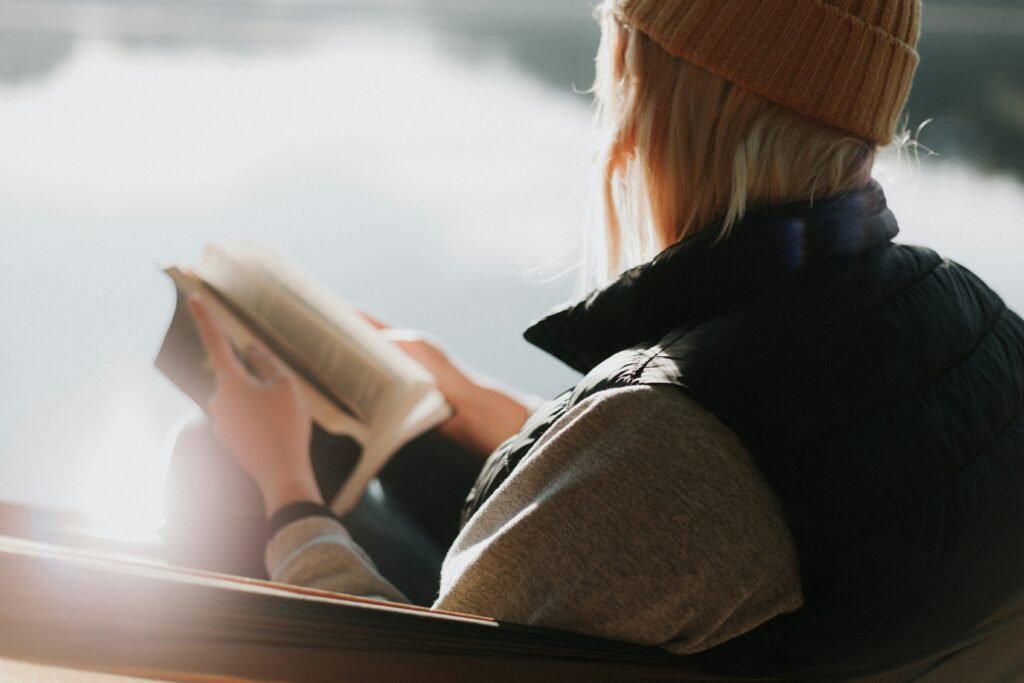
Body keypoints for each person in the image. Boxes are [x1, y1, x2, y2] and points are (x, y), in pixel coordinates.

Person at [176, 0, 1024, 679]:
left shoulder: (674, 447)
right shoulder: (985, 331)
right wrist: (477, 401)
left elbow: (681, 488)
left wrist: (284, 485)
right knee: (414, 447)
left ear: (659, 94)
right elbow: (789, 474)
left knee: (217, 456)